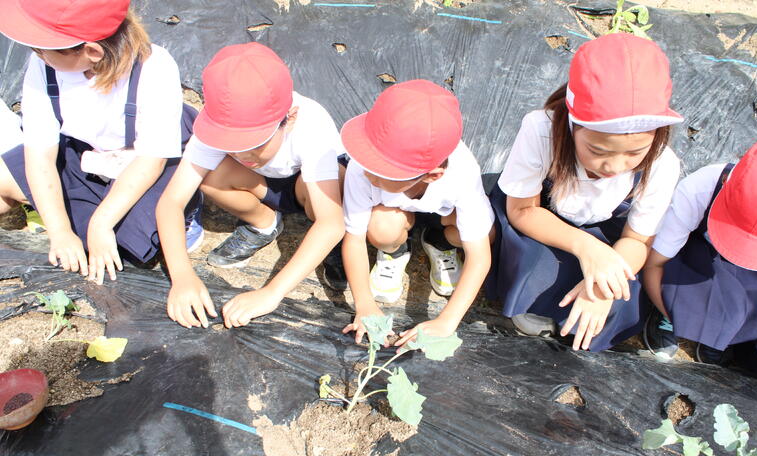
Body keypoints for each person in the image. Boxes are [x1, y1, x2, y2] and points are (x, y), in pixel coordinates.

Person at [487, 33, 683, 351]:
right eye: (598, 150)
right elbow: (522, 210)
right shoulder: (541, 130)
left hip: (608, 231)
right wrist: (587, 248)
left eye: (634, 153)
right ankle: (537, 302)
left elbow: (637, 241)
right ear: (572, 125)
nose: (614, 166)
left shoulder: (664, 163)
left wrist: (603, 288)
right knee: (534, 265)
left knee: (620, 294)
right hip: (543, 218)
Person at [0, 0, 201, 284]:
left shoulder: (154, 66)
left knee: (126, 241)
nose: (35, 54)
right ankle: (74, 215)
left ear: (92, 52)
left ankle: (187, 215)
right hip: (86, 155)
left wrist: (100, 223)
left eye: (42, 49)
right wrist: (59, 230)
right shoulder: (43, 65)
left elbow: (151, 160)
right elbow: (40, 155)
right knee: (6, 180)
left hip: (145, 164)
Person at [156, 43, 346, 329]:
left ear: (290, 118)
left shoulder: (312, 124)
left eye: (255, 143)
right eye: (230, 144)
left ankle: (329, 248)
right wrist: (182, 276)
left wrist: (271, 292)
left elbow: (331, 222)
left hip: (304, 187)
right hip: (260, 184)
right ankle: (264, 224)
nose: (241, 154)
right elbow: (172, 201)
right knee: (208, 175)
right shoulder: (218, 123)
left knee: (338, 181)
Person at [339, 79, 494, 349]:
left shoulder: (463, 173)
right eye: (369, 164)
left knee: (486, 234)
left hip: (443, 214)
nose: (368, 173)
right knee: (381, 228)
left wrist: (447, 321)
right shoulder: (362, 168)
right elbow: (354, 238)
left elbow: (479, 256)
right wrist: (364, 304)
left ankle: (439, 241)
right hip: (393, 212)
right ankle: (395, 250)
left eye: (382, 172)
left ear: (433, 175)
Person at [642, 136, 757, 386]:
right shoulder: (700, 189)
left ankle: (727, 336)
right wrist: (672, 311)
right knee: (685, 280)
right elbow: (656, 263)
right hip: (704, 257)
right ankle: (677, 321)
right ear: (727, 182)